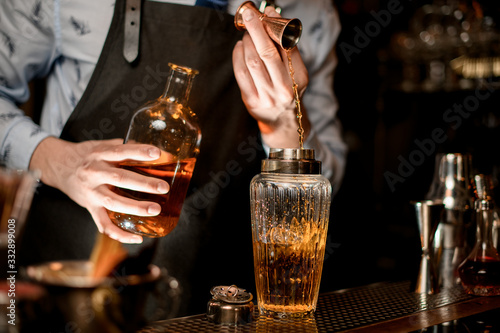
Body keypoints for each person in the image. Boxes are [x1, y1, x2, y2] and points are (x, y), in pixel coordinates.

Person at [0, 0, 346, 316]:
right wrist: (52, 158)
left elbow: (329, 183)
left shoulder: (310, 12)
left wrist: (282, 124)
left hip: (219, 298)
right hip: (69, 279)